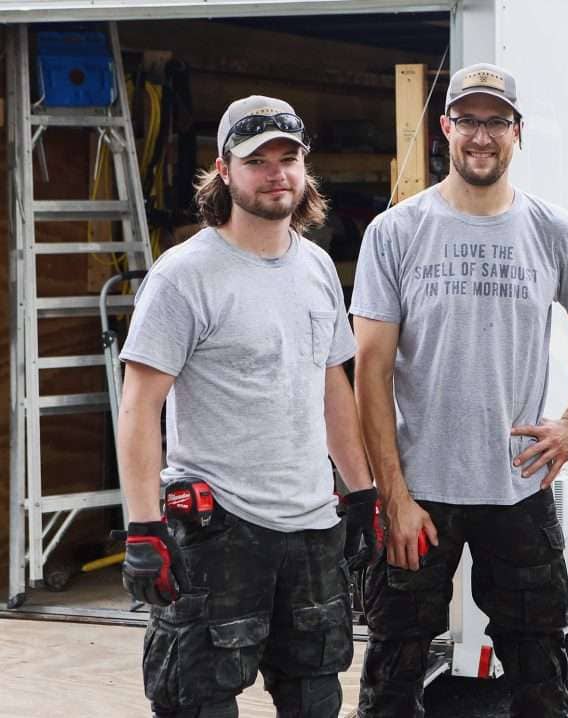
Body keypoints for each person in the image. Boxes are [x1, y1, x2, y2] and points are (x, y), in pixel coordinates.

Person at [350, 63, 568, 717]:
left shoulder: (552, 230)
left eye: (496, 121)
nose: (481, 135)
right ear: (445, 128)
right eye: (468, 120)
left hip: (517, 490)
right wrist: (394, 496)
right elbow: (371, 372)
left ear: (517, 131)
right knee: (392, 681)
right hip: (421, 496)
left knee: (539, 679)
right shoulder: (396, 232)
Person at [116, 95, 376, 718]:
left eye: (289, 158)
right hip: (219, 531)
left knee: (315, 698)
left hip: (312, 529)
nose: (276, 174)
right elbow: (138, 407)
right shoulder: (184, 275)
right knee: (196, 700)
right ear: (224, 171)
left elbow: (333, 389)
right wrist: (144, 527)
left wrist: (362, 493)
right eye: (257, 160)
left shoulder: (317, 267)